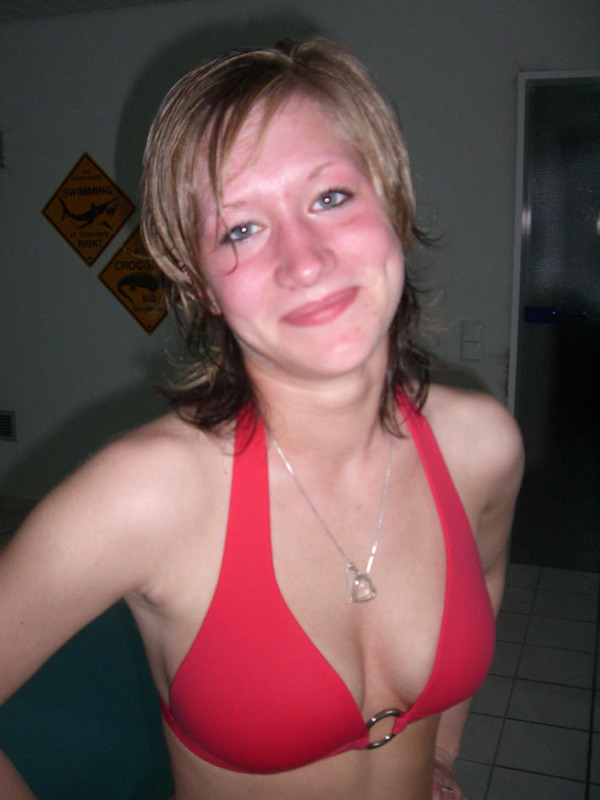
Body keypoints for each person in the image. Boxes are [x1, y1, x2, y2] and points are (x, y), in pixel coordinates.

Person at [0, 37, 523, 800]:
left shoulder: (482, 444)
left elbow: (489, 575)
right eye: (240, 229)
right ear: (199, 284)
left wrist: (441, 752)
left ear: (392, 201)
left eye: (331, 197)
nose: (305, 261)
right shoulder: (146, 494)